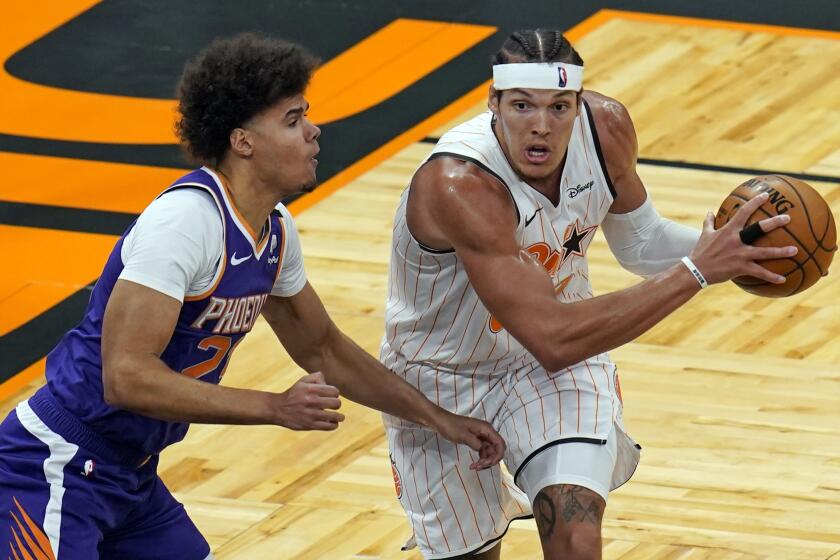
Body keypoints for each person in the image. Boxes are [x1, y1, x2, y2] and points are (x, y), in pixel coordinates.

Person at [0, 33, 506, 560]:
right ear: (243, 141)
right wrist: (273, 406)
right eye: (292, 120)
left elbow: (323, 350)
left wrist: (437, 418)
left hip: (130, 473)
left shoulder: (274, 230)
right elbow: (125, 375)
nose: (314, 132)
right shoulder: (186, 222)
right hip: (55, 463)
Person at [380, 29, 796, 559]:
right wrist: (697, 270)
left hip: (547, 371)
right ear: (493, 104)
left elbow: (641, 243)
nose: (541, 125)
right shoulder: (459, 185)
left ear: (579, 104)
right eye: (522, 106)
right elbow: (552, 335)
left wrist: (732, 250)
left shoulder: (606, 130)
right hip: (442, 378)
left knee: (577, 534)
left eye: (559, 107)